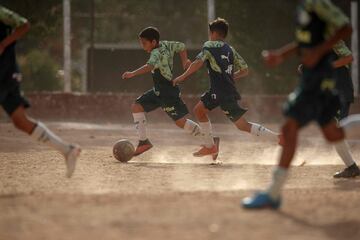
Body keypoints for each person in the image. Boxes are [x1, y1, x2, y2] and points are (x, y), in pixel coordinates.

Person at [242, 0, 359, 210]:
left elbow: (346, 27)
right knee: (333, 134)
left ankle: (273, 193)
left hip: (319, 80)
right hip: (313, 79)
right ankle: (274, 193)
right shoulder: (303, 9)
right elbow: (304, 43)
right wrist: (281, 55)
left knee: (290, 127)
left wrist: (319, 52)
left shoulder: (318, 4)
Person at [173, 18, 282, 160]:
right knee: (237, 123)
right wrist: (230, 77)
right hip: (226, 90)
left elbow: (197, 63)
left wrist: (181, 77)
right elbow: (245, 70)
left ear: (213, 33)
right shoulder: (230, 49)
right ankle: (278, 139)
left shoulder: (209, 46)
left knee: (205, 113)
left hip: (219, 91)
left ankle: (210, 146)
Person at [0, 5, 81, 178]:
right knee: (20, 121)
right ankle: (67, 150)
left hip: (5, 71)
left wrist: (3, 44)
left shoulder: (1, 13)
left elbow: (24, 24)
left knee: (20, 120)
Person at [122, 26, 205, 156]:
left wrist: (132, 73)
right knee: (137, 106)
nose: (143, 46)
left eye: (144, 43)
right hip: (159, 90)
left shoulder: (156, 53)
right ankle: (143, 142)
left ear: (153, 42)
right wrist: (185, 60)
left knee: (180, 122)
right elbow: (182, 46)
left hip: (167, 92)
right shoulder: (167, 44)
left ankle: (209, 140)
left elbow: (149, 66)